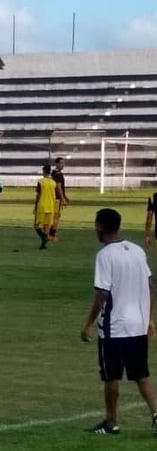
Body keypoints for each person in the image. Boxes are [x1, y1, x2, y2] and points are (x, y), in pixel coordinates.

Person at [81, 208, 157, 435]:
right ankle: (156, 415)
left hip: (115, 327)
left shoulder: (105, 255)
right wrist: (149, 317)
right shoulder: (136, 251)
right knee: (141, 375)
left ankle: (111, 422)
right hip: (138, 325)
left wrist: (88, 323)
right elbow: (150, 286)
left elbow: (102, 293)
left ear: (100, 226)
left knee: (111, 375)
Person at [34, 165, 61, 250]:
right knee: (46, 226)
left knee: (36, 225)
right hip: (51, 206)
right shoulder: (53, 182)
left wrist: (35, 206)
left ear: (44, 171)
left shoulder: (40, 181)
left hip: (42, 206)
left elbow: (38, 195)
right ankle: (43, 245)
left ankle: (44, 237)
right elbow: (55, 195)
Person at [50, 157, 71, 241]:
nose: (63, 165)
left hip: (54, 197)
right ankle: (52, 235)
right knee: (56, 216)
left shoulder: (54, 173)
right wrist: (62, 198)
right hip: (57, 198)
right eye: (61, 163)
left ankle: (49, 233)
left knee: (54, 216)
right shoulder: (58, 174)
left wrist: (65, 196)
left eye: (63, 163)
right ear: (56, 164)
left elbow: (60, 187)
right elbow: (58, 187)